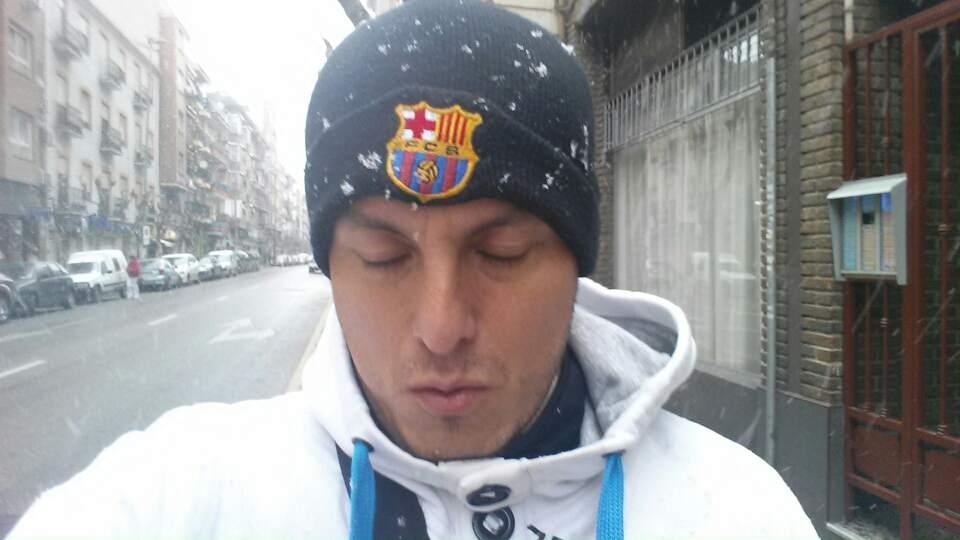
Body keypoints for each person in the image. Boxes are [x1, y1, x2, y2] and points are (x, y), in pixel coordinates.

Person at [9, 1, 818, 539]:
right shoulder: (187, 495)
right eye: (384, 257)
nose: (440, 327)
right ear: (331, 266)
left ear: (577, 261)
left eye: (500, 254)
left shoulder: (733, 514)